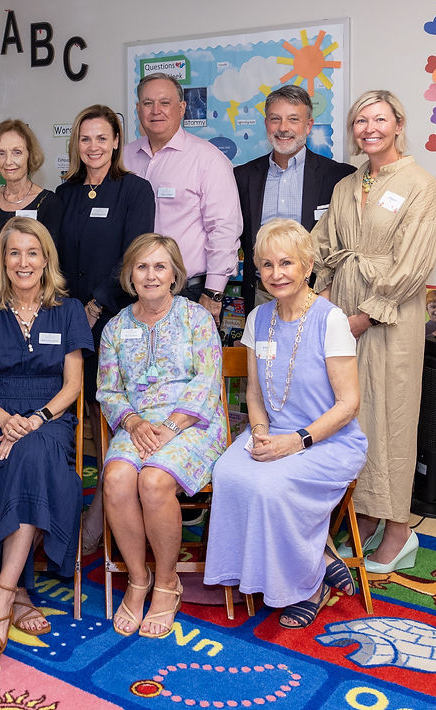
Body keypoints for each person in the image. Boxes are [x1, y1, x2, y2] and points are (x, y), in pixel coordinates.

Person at [204, 218, 367, 628]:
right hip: (272, 435)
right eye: (267, 265)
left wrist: (295, 442)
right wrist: (259, 433)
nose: (277, 274)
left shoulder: (331, 320)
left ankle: (309, 584)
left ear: (308, 266)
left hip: (329, 441)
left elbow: (349, 405)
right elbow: (254, 396)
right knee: (226, 472)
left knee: (271, 486)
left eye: (287, 263)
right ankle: (322, 553)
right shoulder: (259, 319)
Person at [313, 90, 436, 574]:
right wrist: (320, 294)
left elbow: (414, 262)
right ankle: (363, 515)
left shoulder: (420, 185)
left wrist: (365, 316)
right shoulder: (347, 185)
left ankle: (398, 529)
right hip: (342, 314)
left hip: (389, 318)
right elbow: (323, 245)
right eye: (360, 121)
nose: (369, 128)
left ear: (398, 124)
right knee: (352, 418)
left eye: (379, 119)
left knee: (390, 420)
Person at [0, 217, 93, 664]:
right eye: (14, 253)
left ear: (46, 259)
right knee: (21, 460)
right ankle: (17, 595)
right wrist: (3, 419)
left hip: (47, 419)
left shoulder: (67, 310)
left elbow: (73, 385)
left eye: (33, 253)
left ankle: (2, 597)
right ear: (2, 259)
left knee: (31, 455)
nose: (23, 262)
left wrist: (35, 420)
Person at [97, 233, 226, 638]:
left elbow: (208, 381)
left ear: (174, 274)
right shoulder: (115, 327)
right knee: (116, 478)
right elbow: (108, 390)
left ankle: (167, 582)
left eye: (159, 266)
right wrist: (134, 423)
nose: (150, 275)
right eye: (142, 267)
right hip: (137, 422)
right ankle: (139, 579)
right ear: (129, 275)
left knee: (153, 481)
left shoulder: (197, 318)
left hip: (194, 421)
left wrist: (171, 426)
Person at [55, 104, 154, 553]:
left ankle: (102, 515)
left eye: (101, 138)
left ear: (116, 142)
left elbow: (133, 256)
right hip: (65, 320)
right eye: (85, 138)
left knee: (109, 415)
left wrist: (96, 303)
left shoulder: (135, 190)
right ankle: (63, 508)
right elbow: (49, 256)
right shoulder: (63, 194)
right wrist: (65, 308)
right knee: (71, 415)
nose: (93, 147)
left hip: (113, 320)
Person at [122, 73, 241, 322]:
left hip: (190, 292)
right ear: (138, 109)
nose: (156, 111)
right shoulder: (123, 158)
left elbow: (224, 229)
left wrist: (213, 292)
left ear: (182, 108)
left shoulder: (208, 159)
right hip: (132, 291)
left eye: (165, 103)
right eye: (147, 103)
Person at [235, 85, 356, 308]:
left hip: (319, 294)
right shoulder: (242, 177)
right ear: (266, 124)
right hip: (262, 295)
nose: (283, 128)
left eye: (293, 119)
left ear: (308, 125)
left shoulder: (339, 178)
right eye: (275, 119)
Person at [0, 120, 62, 298]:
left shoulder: (49, 203)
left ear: (30, 155)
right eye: (1, 153)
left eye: (17, 152)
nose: (8, 161)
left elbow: (53, 264)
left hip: (36, 303)